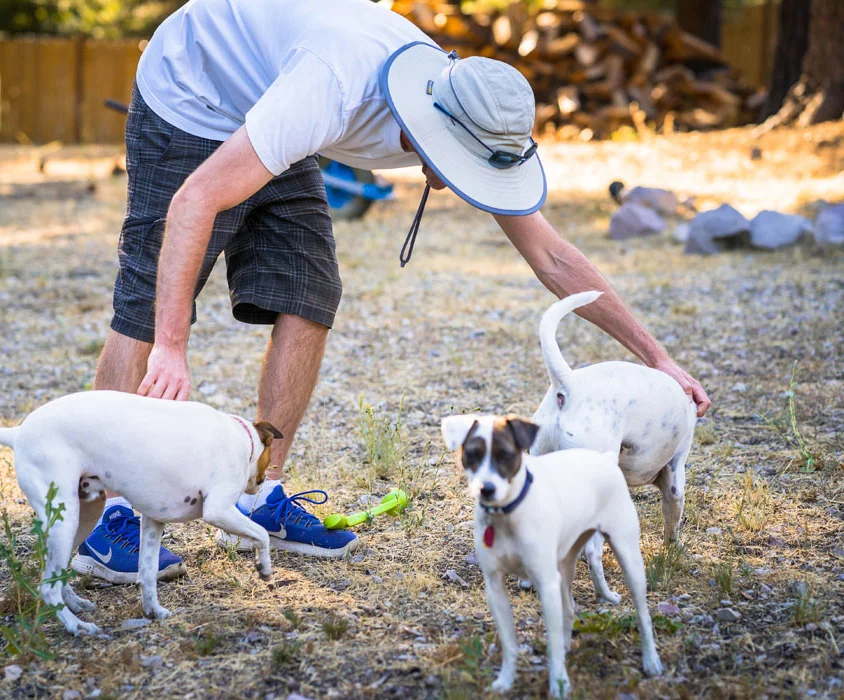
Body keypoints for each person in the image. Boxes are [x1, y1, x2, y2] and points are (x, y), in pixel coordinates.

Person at [71, 0, 712, 583]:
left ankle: (261, 495)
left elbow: (551, 254)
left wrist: (657, 357)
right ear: (433, 134)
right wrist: (172, 348)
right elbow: (193, 202)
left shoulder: (471, 109)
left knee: (309, 292)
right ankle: (100, 521)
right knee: (146, 306)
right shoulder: (330, 88)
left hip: (272, 98)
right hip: (193, 92)